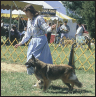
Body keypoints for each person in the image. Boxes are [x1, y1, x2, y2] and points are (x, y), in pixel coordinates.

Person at [14, 4, 56, 75]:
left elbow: (45, 28)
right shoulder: (29, 20)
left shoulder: (39, 18)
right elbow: (28, 34)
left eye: (26, 12)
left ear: (31, 11)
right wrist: (20, 43)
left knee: (36, 59)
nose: (26, 14)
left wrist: (51, 28)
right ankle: (34, 75)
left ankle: (45, 75)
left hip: (40, 40)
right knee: (30, 58)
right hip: (33, 41)